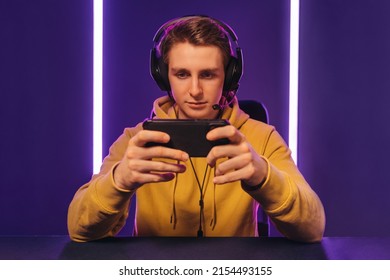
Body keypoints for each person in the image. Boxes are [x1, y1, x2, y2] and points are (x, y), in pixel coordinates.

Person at [67, 15, 325, 242]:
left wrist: (263, 176)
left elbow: (313, 228)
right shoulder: (137, 141)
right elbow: (79, 229)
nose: (194, 91)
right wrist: (119, 180)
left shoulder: (261, 137)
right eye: (181, 74)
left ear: (229, 76)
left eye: (208, 75)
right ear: (163, 75)